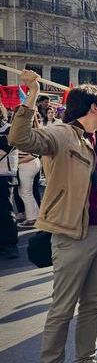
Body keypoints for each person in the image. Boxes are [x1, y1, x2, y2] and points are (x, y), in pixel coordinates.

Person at [9, 71, 97, 363]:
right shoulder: (61, 135)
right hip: (74, 233)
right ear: (94, 107)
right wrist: (32, 94)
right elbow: (20, 138)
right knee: (63, 308)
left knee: (93, 304)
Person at [15, 110, 42, 229]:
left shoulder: (30, 132)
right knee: (25, 192)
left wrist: (18, 162)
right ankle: (34, 216)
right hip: (30, 164)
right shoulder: (33, 131)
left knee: (26, 193)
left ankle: (32, 218)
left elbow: (35, 154)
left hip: (28, 165)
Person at [0, 104, 19, 259]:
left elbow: (4, 150)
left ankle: (11, 244)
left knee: (5, 210)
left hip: (5, 175)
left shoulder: (9, 129)